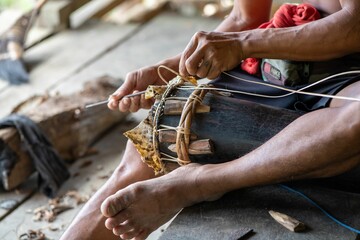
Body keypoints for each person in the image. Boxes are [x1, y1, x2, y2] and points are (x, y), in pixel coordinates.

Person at [60, 0, 360, 239]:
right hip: (274, 63)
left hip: (349, 75)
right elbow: (244, 17)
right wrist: (172, 68)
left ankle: (200, 183)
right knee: (151, 145)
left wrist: (242, 44)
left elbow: (353, 27)